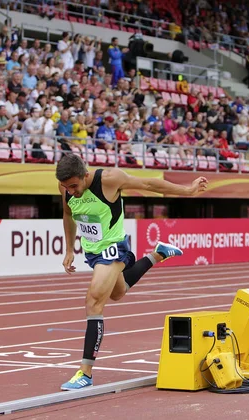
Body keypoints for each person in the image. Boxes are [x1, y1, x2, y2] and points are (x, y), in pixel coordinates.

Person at [56, 153, 208, 391]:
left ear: (85, 175)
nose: (72, 191)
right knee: (117, 293)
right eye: (67, 187)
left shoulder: (109, 179)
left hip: (114, 248)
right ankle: (157, 254)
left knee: (94, 301)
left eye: (75, 186)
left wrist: (187, 190)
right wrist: (69, 249)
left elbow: (149, 184)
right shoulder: (65, 187)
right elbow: (67, 214)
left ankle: (85, 372)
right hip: (93, 252)